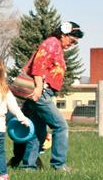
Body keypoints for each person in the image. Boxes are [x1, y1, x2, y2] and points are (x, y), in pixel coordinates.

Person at [20, 21, 84, 172]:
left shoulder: (56, 46)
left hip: (42, 92)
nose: (72, 44)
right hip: (41, 93)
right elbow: (38, 66)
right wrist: (39, 88)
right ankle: (59, 164)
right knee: (61, 126)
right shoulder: (51, 43)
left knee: (38, 131)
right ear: (64, 34)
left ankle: (28, 167)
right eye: (72, 40)